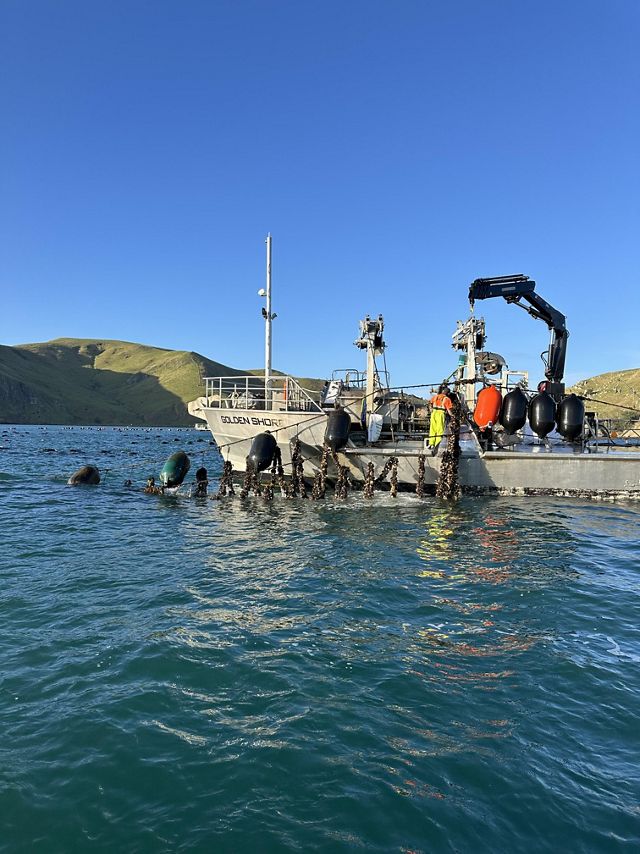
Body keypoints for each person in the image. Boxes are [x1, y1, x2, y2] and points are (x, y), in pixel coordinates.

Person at [429, 384, 453, 451]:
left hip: (433, 413)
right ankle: (437, 445)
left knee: (433, 429)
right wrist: (453, 416)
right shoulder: (447, 399)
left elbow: (430, 404)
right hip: (440, 414)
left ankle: (431, 444)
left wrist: (431, 409)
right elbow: (449, 410)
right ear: (447, 393)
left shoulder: (435, 397)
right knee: (440, 430)